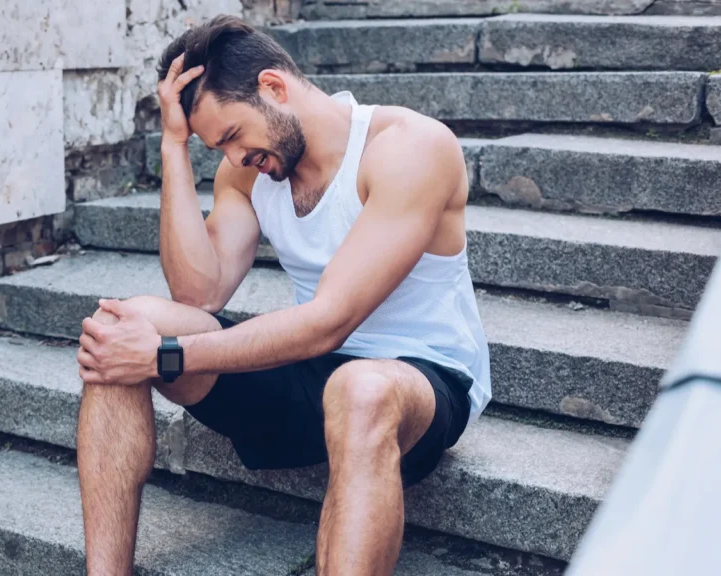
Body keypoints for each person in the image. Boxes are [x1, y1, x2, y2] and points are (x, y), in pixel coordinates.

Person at [74, 14, 492, 575]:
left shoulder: (408, 147)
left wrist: (164, 355)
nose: (233, 158)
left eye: (232, 136)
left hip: (419, 378)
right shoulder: (251, 173)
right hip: (311, 373)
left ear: (273, 87)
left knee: (360, 389)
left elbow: (328, 321)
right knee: (119, 327)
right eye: (217, 148)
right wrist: (174, 146)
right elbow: (198, 294)